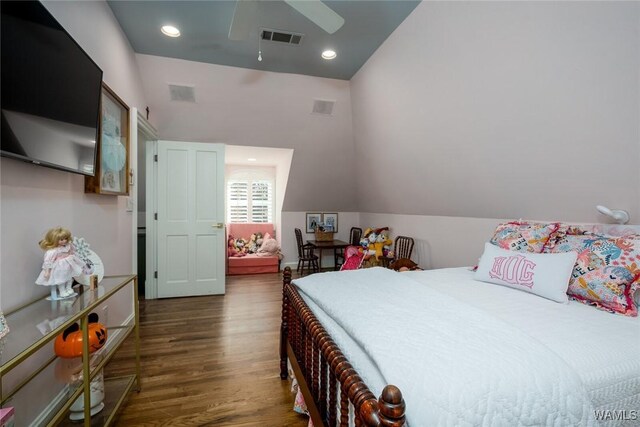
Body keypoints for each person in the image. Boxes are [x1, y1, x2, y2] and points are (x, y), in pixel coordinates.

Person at [35, 227, 85, 300]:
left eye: (66, 238)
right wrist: (47, 271)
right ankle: (62, 291)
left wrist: (76, 260)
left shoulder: (69, 246)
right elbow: (48, 261)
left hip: (69, 264)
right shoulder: (53, 251)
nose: (64, 241)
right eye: (61, 239)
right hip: (60, 267)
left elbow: (73, 252)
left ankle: (68, 288)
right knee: (61, 279)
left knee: (70, 277)